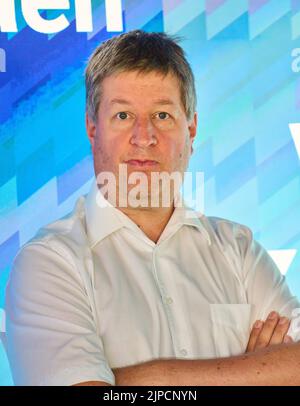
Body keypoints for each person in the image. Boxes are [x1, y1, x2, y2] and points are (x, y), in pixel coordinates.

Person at [4, 30, 300, 386]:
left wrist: (146, 378)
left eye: (162, 115)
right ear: (92, 127)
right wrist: (255, 370)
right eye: (124, 115)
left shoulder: (239, 250)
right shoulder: (49, 263)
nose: (144, 137)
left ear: (191, 128)